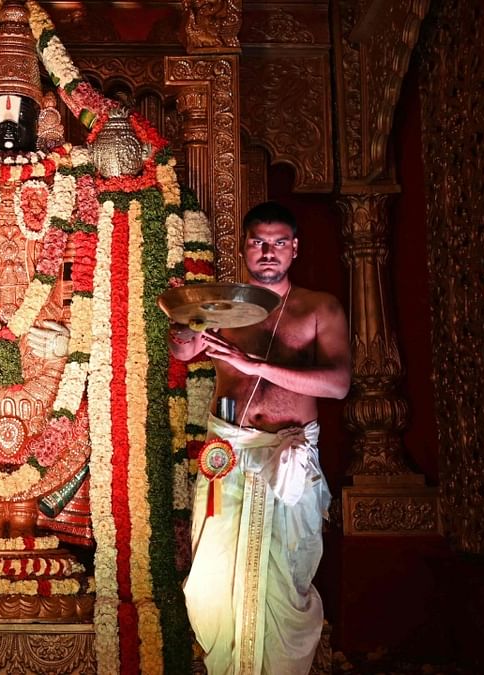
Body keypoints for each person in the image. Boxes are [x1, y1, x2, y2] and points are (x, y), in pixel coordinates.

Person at [168, 201, 350, 674]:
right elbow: (186, 351)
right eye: (258, 243)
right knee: (208, 580)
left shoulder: (318, 307)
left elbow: (337, 384)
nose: (268, 252)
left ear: (294, 249)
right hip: (228, 452)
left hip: (287, 455)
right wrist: (183, 333)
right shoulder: (222, 307)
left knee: (286, 581)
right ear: (244, 248)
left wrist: (258, 366)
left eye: (278, 243)